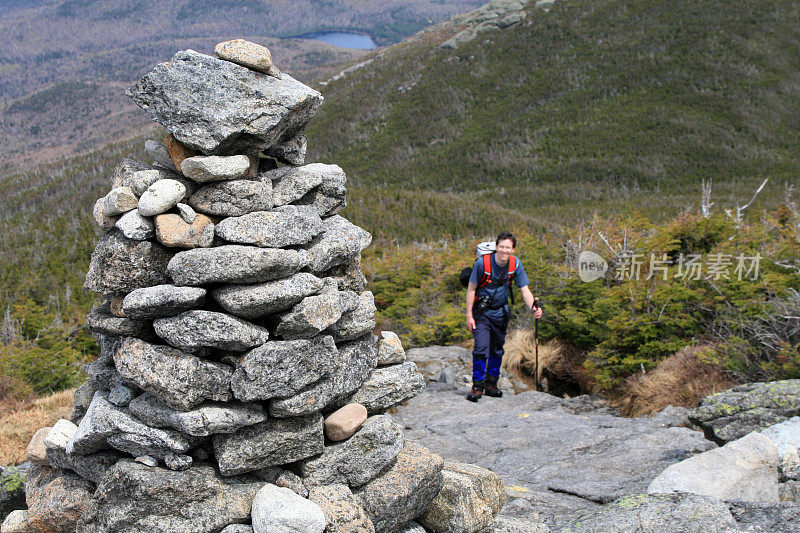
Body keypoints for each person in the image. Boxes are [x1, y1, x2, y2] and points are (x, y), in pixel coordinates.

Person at [465, 231, 543, 402]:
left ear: (513, 249)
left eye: (508, 247)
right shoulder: (482, 264)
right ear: (496, 247)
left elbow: (525, 290)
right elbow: (471, 289)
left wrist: (533, 309)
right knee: (481, 349)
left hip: (500, 313)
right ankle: (477, 386)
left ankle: (491, 384)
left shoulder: (515, 264)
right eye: (501, 247)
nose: (504, 250)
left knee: (497, 349)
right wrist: (469, 315)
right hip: (481, 313)